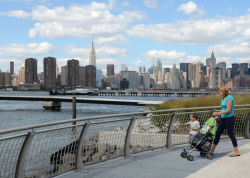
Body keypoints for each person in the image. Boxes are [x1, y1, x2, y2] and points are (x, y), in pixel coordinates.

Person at [208, 86, 240, 158]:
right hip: (223, 118)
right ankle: (212, 151)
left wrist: (218, 113)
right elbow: (223, 109)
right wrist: (218, 116)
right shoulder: (223, 98)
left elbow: (228, 110)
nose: (219, 93)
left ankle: (236, 151)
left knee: (231, 134)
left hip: (229, 118)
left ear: (223, 91)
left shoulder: (229, 98)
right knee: (217, 134)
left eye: (219, 92)